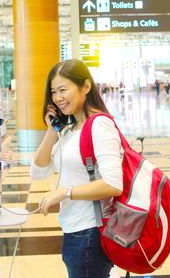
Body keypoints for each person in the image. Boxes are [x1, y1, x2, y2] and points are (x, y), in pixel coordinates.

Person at [30, 59, 123, 278]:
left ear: (86, 87)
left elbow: (113, 183)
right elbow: (38, 171)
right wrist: (52, 131)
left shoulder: (100, 125)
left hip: (90, 233)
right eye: (54, 92)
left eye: (63, 90)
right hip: (74, 230)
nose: (57, 98)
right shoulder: (70, 129)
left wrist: (64, 192)